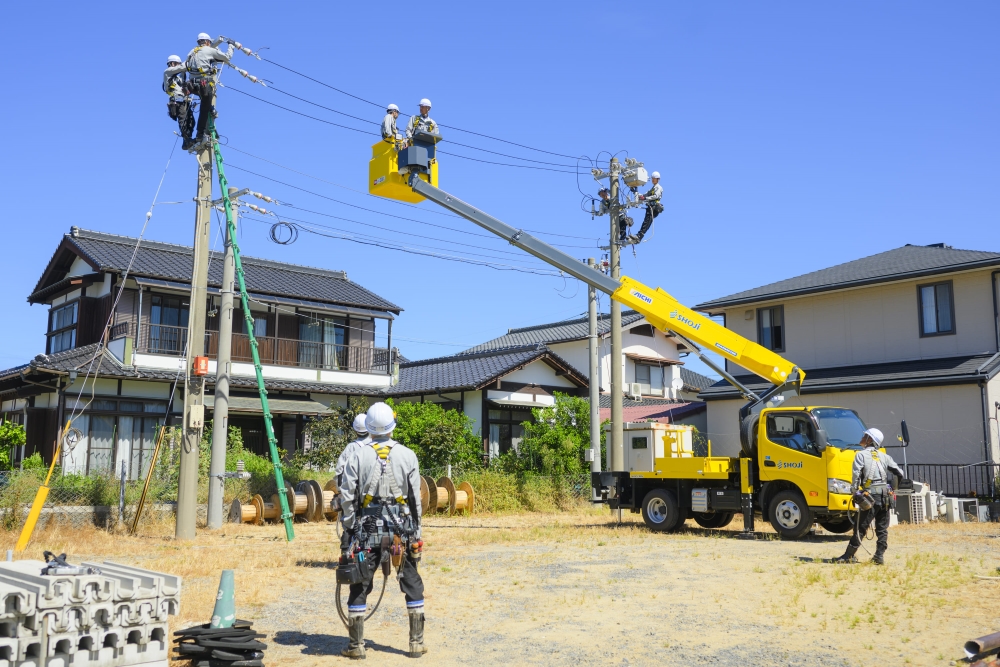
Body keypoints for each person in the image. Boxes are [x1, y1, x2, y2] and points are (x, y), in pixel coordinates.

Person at [339, 402, 426, 659]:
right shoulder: (408, 455)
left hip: (366, 532)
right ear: (391, 426)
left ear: (368, 427)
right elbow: (415, 500)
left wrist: (349, 527)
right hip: (401, 530)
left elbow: (347, 496)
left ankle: (356, 647)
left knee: (359, 583)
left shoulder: (356, 454)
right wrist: (417, 531)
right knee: (411, 581)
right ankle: (416, 644)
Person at [833, 428, 907, 565]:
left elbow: (856, 475)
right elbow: (899, 473)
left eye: (865, 435)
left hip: (869, 497)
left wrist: (855, 492)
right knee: (882, 528)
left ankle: (848, 556)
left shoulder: (860, 455)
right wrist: (893, 489)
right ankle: (879, 556)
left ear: (870, 440)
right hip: (885, 497)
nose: (863, 437)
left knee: (860, 527)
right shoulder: (885, 457)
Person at [185, 33, 234, 147]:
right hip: (204, 85)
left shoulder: (192, 52)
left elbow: (185, 66)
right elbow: (227, 58)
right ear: (207, 42)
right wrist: (231, 46)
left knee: (204, 102)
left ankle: (209, 111)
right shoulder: (209, 50)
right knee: (204, 109)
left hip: (191, 85)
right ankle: (200, 134)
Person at [163, 55, 194, 150]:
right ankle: (187, 140)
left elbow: (183, 72)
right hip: (177, 102)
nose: (178, 66)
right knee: (183, 121)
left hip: (184, 101)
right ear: (172, 64)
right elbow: (182, 67)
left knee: (191, 122)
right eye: (177, 64)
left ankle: (187, 140)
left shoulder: (178, 78)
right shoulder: (167, 72)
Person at [335, 412, 371, 484]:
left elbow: (340, 470)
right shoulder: (377, 444)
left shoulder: (350, 447)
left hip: (356, 489)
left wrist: (340, 490)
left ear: (355, 430)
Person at [630, 171, 663, 244]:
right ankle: (639, 235)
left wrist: (645, 198)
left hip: (654, 207)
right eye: (652, 178)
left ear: (658, 179)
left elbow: (656, 196)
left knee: (647, 222)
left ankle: (639, 236)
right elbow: (644, 195)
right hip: (650, 207)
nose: (653, 180)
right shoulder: (653, 188)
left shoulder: (658, 187)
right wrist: (635, 192)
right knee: (646, 222)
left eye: (654, 178)